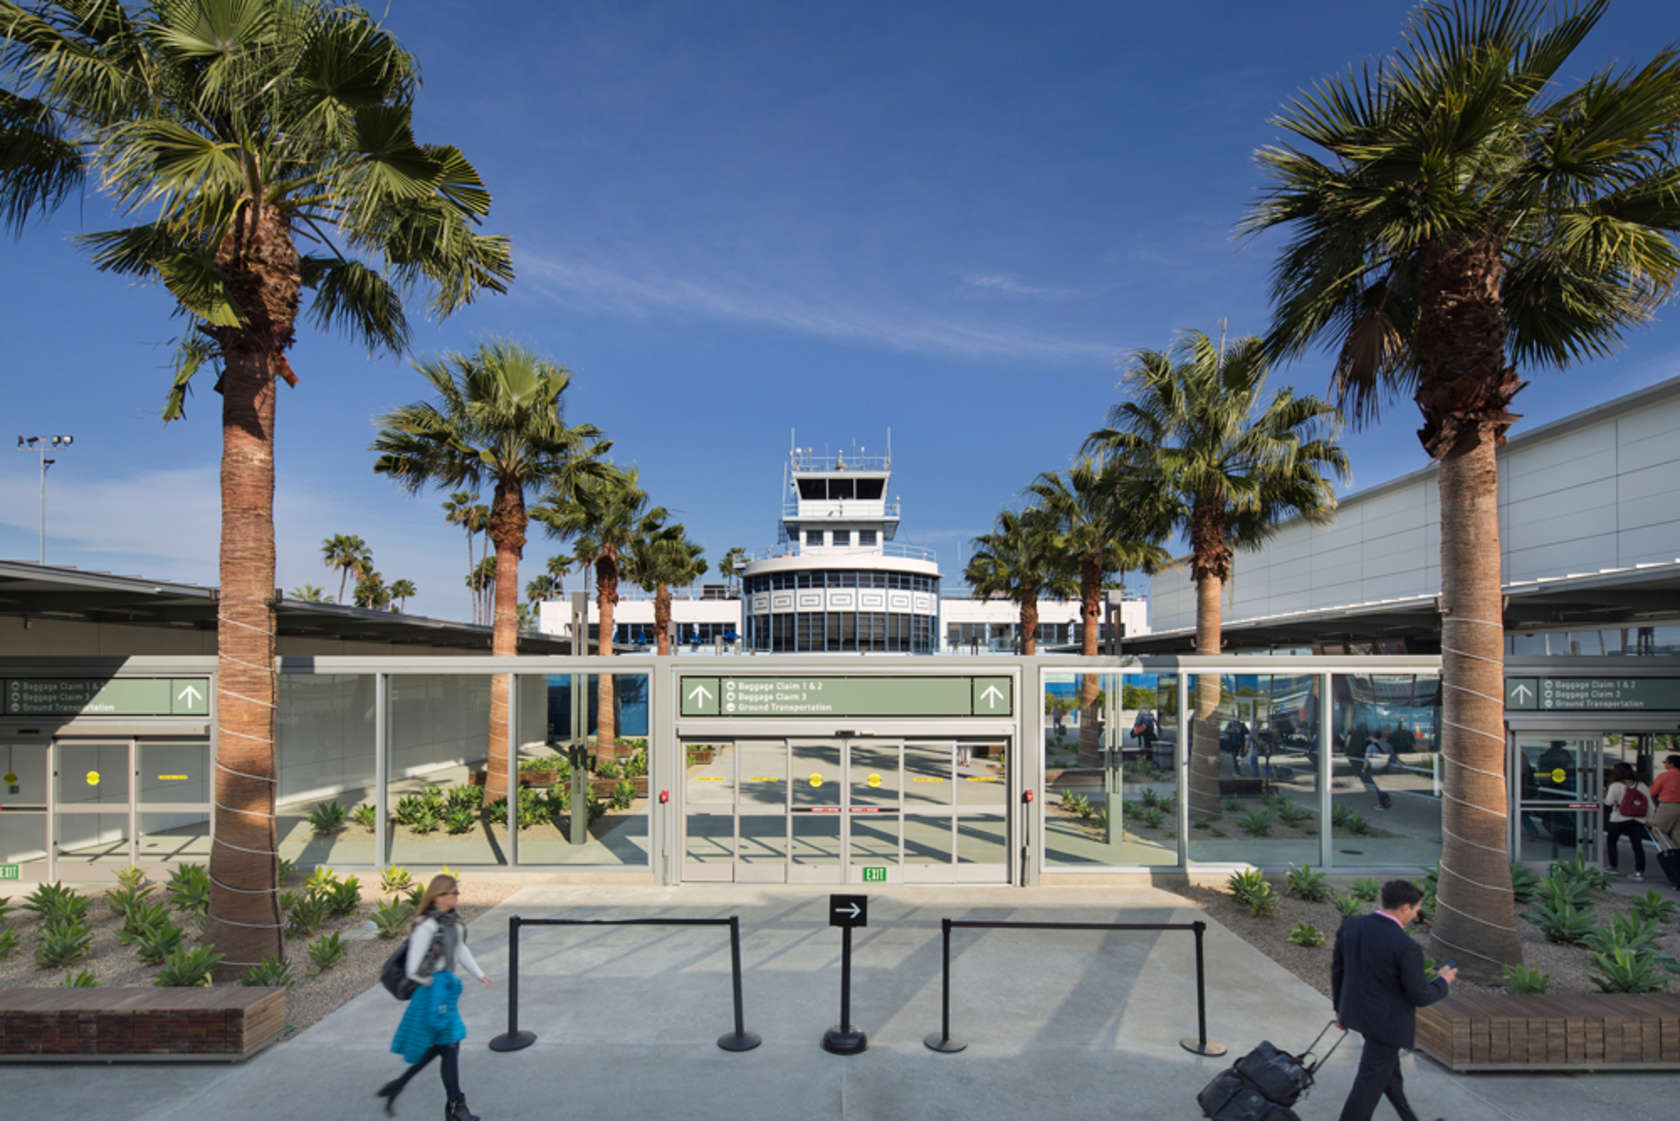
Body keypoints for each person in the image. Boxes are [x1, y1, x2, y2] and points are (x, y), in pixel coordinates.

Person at [1332, 879, 1455, 1121]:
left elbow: (1338, 969)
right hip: (1387, 1026)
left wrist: (1339, 1009)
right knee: (1368, 1084)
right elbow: (1419, 995)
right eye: (1417, 908)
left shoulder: (1352, 925)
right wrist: (1443, 981)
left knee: (1388, 1073)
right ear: (1405, 908)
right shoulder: (1406, 947)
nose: (1417, 913)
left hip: (1358, 1014)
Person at [378, 874, 492, 1121]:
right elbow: (413, 968)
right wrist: (435, 986)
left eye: (456, 892)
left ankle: (400, 1086)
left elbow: (461, 950)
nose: (455, 897)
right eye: (450, 893)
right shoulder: (426, 925)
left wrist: (479, 974)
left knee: (445, 1045)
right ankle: (456, 1106)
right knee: (448, 1044)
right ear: (437, 896)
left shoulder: (454, 924)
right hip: (431, 991)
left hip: (445, 990)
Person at [1602, 761, 1651, 881]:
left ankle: (1613, 866)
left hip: (1619, 818)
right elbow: (1649, 804)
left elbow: (1608, 802)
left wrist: (1604, 792)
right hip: (1637, 819)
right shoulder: (1641, 785)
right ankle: (1639, 871)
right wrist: (1649, 819)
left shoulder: (1615, 786)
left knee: (1611, 841)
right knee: (1637, 845)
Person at [1650, 754, 1680, 847]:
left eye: (1665, 762)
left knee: (1658, 830)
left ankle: (1672, 853)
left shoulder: (1664, 776)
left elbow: (1653, 791)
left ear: (1671, 764)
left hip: (1668, 806)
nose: (1664, 765)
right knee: (1677, 833)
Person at [1361, 731, 1394, 810]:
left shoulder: (1370, 746)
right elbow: (1392, 755)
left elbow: (1367, 760)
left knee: (1378, 787)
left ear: (1373, 737)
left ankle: (1382, 805)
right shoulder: (1387, 745)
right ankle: (1386, 802)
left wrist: (1364, 769)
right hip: (1385, 768)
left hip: (1376, 768)